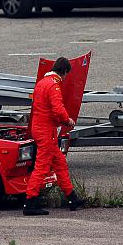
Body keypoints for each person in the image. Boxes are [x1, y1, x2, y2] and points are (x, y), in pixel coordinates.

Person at [23, 57, 85, 216]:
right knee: (42, 167)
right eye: (66, 75)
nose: (65, 78)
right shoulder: (53, 85)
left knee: (60, 164)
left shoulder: (42, 83)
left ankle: (72, 198)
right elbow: (57, 110)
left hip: (40, 129)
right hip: (46, 132)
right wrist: (67, 120)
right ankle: (30, 202)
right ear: (64, 71)